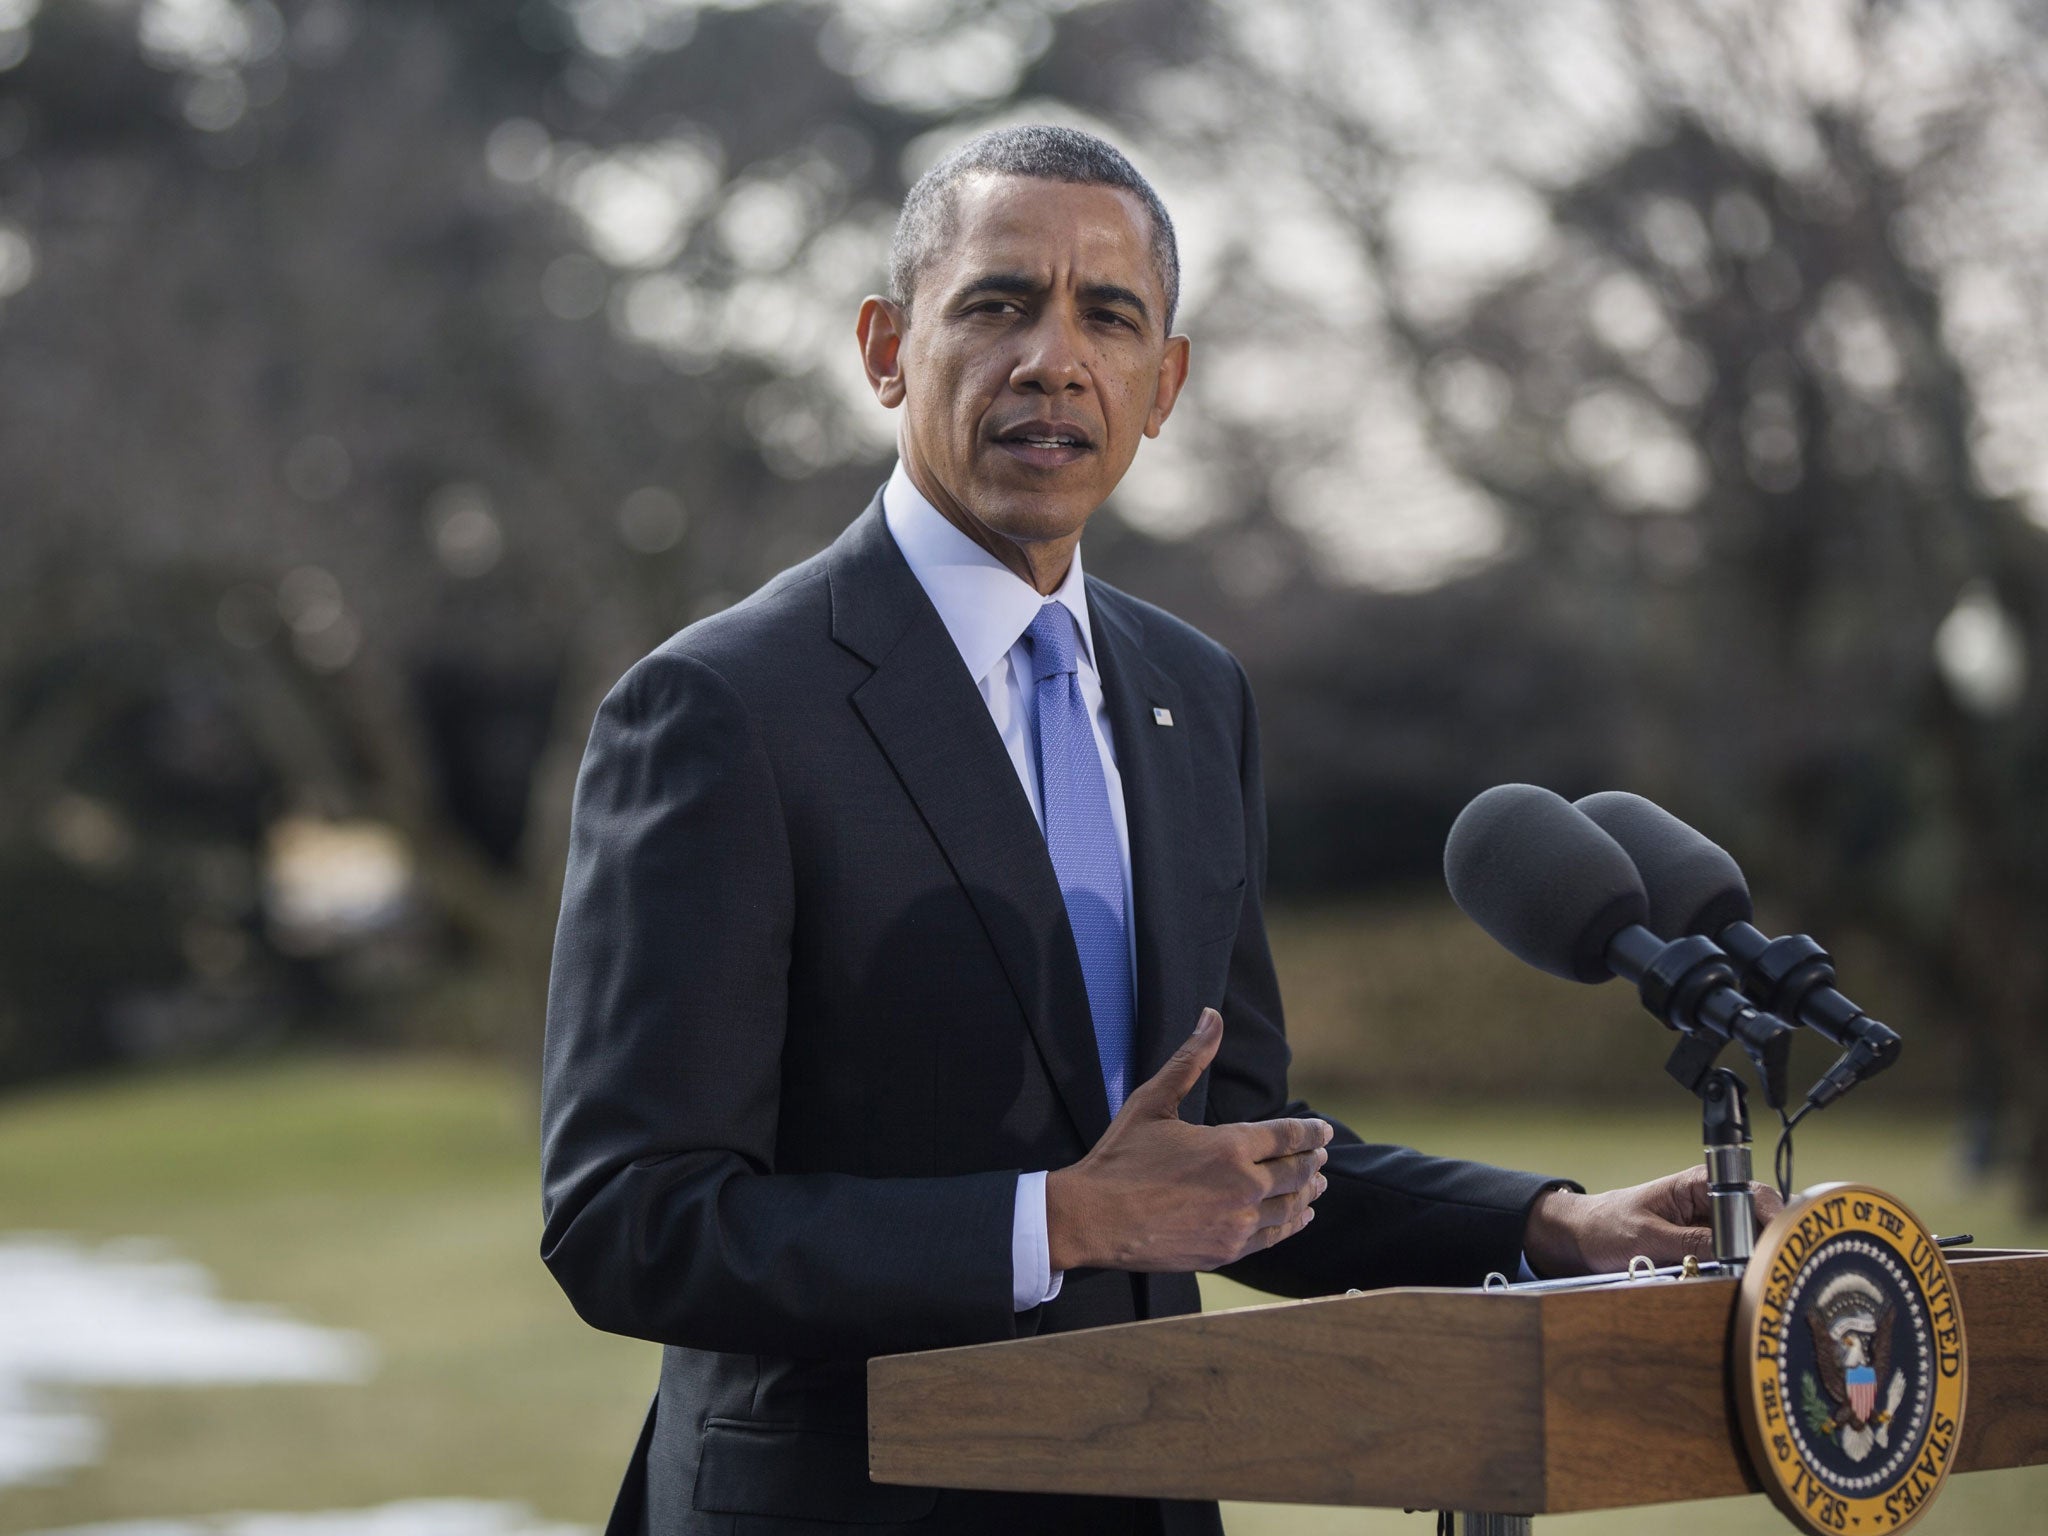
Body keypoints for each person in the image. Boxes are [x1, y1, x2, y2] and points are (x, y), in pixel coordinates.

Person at [540, 125, 1778, 1536]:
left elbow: (1232, 1144)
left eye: (1107, 316)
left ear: (1162, 383)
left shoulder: (1192, 690)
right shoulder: (719, 709)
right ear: (887, 348)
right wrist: (1058, 1221)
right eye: (998, 303)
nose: (1052, 359)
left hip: (1143, 1493)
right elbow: (627, 1224)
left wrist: (1550, 1226)